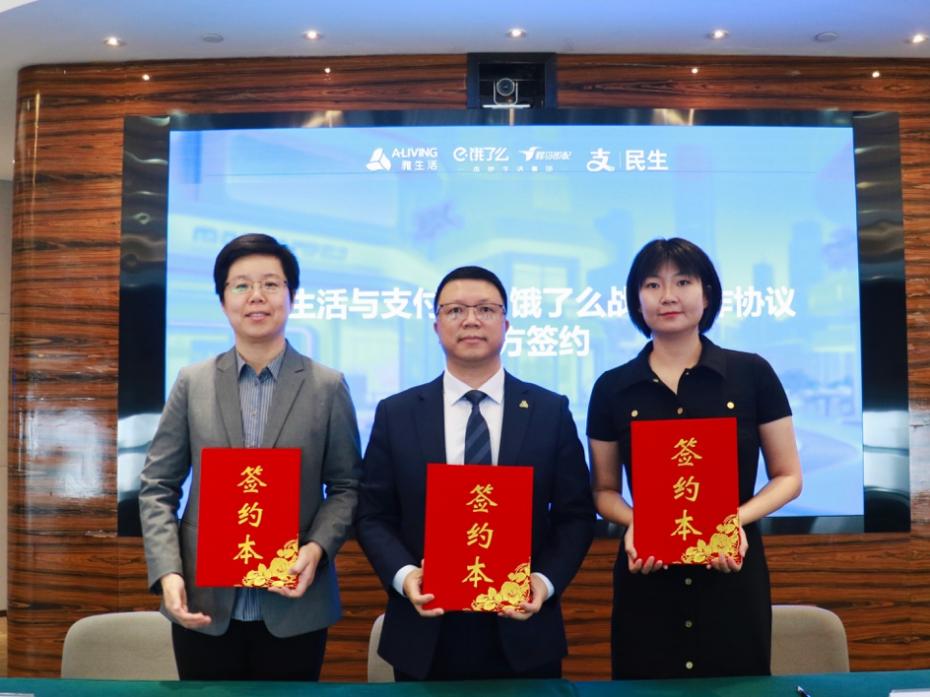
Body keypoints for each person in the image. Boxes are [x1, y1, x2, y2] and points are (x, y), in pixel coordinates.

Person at [139, 233, 361, 681]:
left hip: (295, 605)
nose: (256, 296)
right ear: (223, 301)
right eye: (241, 285)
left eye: (271, 284)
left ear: (291, 297)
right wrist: (168, 572)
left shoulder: (327, 385)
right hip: (204, 602)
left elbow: (347, 486)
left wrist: (317, 548)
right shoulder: (192, 382)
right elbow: (157, 485)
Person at [356, 265, 595, 681]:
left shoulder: (549, 411)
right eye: (455, 310)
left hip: (524, 632)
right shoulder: (397, 413)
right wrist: (406, 576)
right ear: (436, 326)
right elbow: (373, 515)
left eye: (485, 309)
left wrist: (542, 582)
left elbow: (575, 515)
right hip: (425, 631)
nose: (470, 320)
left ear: (506, 323)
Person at [587, 237, 802, 679]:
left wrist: (731, 521)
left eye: (682, 282)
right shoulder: (612, 387)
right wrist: (640, 523)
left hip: (732, 574)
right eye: (652, 284)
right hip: (646, 574)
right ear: (637, 300)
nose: (668, 296)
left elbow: (788, 477)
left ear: (707, 295)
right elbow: (603, 490)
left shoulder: (752, 373)